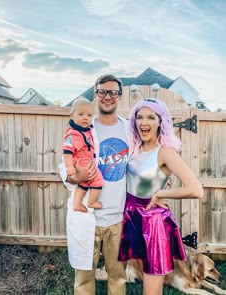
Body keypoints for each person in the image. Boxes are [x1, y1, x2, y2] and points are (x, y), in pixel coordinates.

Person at [118, 98, 204, 295]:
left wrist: (159, 194)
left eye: (151, 117)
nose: (144, 122)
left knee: (151, 287)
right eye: (139, 117)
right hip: (131, 217)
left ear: (160, 122)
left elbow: (196, 189)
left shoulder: (165, 151)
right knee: (142, 273)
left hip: (152, 222)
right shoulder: (136, 147)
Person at [62, 74, 129, 295]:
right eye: (102, 91)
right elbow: (65, 166)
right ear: (95, 95)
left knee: (118, 276)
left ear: (120, 96)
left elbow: (141, 165)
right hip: (87, 216)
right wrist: (77, 176)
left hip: (118, 217)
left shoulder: (130, 130)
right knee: (83, 278)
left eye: (113, 92)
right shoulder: (82, 127)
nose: (108, 96)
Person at [62, 97, 103, 213]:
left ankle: (77, 204)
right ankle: (91, 201)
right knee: (98, 180)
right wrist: (69, 167)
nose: (85, 118)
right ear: (71, 116)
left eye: (89, 115)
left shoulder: (86, 130)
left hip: (85, 161)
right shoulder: (73, 133)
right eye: (81, 114)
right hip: (82, 161)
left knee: (84, 183)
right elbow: (67, 151)